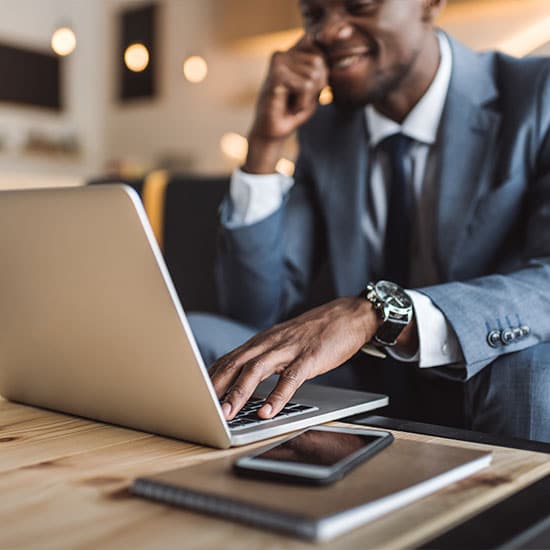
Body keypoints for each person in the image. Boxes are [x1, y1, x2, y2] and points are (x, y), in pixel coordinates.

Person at [189, 0, 550, 441]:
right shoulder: (325, 129)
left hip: (491, 377)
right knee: (197, 337)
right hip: (364, 382)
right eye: (314, 14)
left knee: (531, 370)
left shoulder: (537, 95)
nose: (330, 31)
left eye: (358, 6)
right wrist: (265, 145)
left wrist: (378, 315)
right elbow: (254, 310)